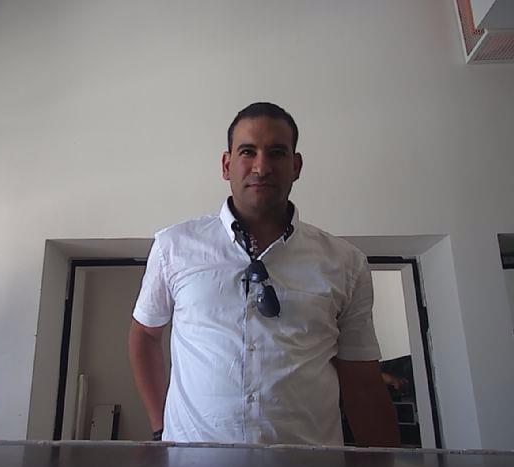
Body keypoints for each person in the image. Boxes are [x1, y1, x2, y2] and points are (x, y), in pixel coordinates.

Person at [128, 102, 400, 447]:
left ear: (296, 166)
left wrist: (383, 464)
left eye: (276, 153)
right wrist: (159, 429)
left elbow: (362, 380)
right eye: (247, 152)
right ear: (226, 165)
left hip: (308, 466)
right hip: (194, 464)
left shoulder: (346, 263)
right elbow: (144, 334)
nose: (261, 166)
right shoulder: (174, 247)